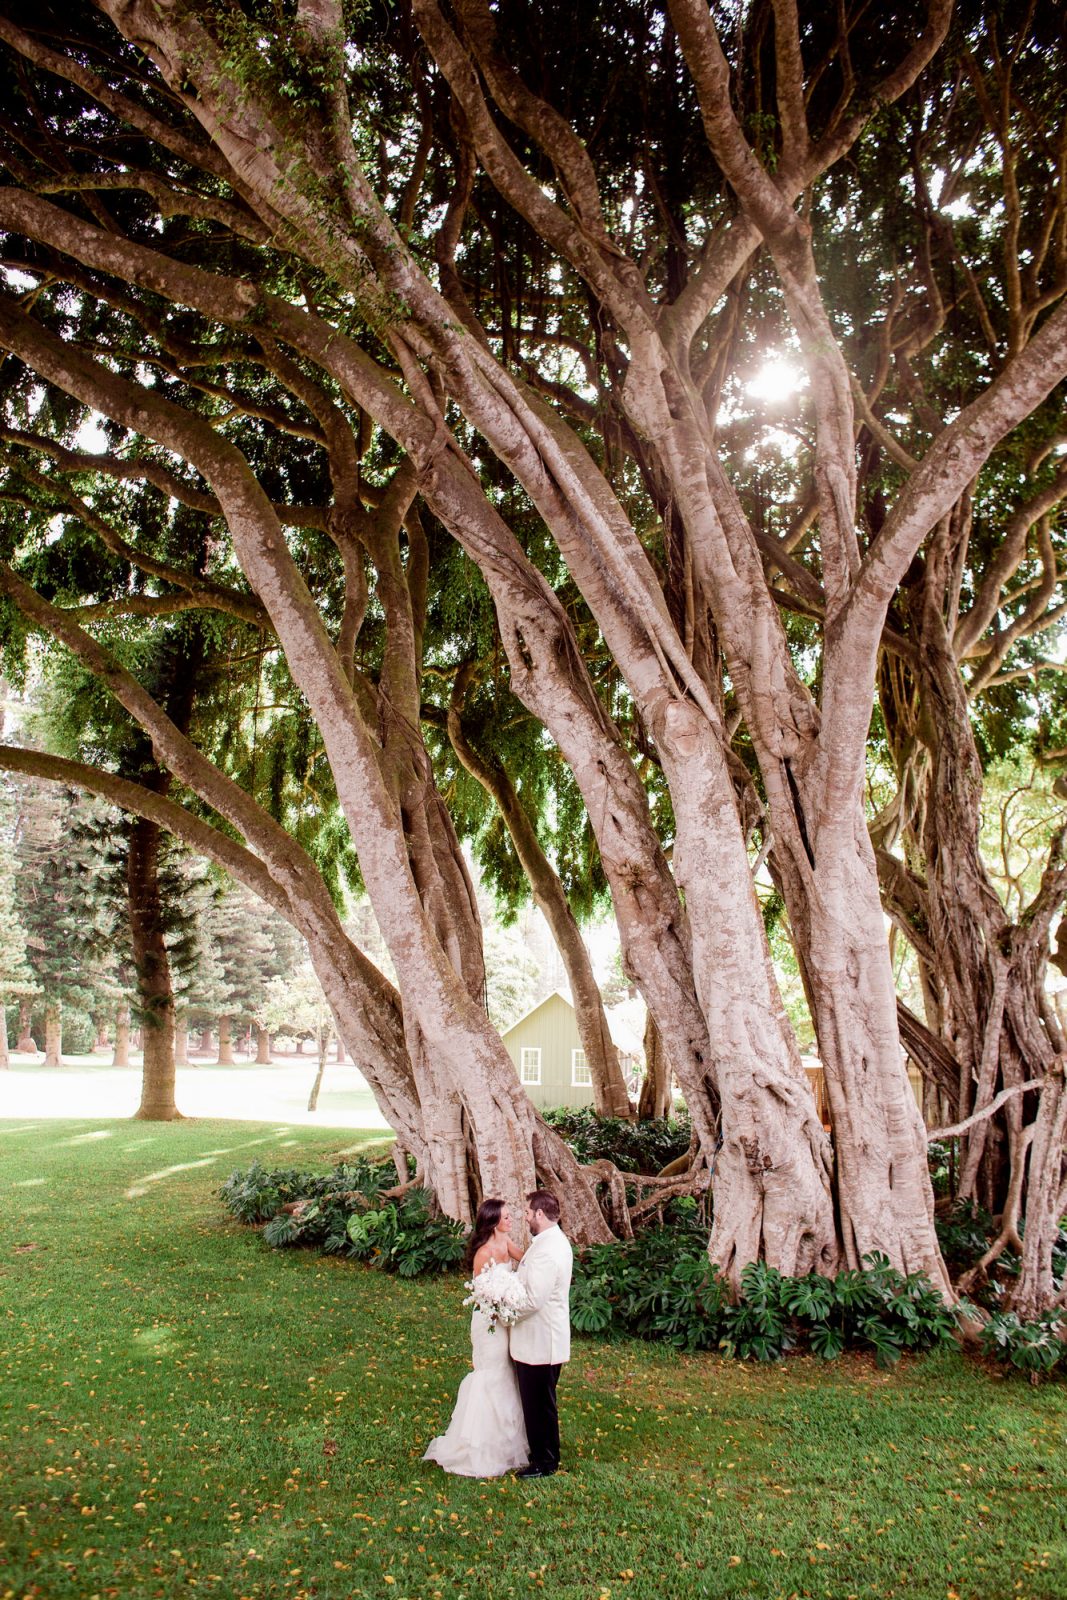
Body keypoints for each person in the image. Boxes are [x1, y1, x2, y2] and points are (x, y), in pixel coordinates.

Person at [423, 1198, 529, 1478]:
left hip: (505, 1320)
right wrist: (501, 1300)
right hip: (488, 1322)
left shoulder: (507, 1244)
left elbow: (527, 1262)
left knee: (507, 1373)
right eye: (506, 1217)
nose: (510, 1220)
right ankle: (479, 1445)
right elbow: (482, 1294)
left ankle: (507, 1443)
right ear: (493, 1221)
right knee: (490, 1374)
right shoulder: (483, 1252)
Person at [509, 1190, 573, 1479]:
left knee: (540, 1404)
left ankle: (545, 1462)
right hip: (538, 1338)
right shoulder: (548, 1242)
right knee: (537, 1402)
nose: (524, 1217)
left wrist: (505, 1313)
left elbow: (534, 1300)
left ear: (539, 1213)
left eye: (526, 1212)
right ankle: (542, 1454)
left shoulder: (549, 1249)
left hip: (540, 1341)